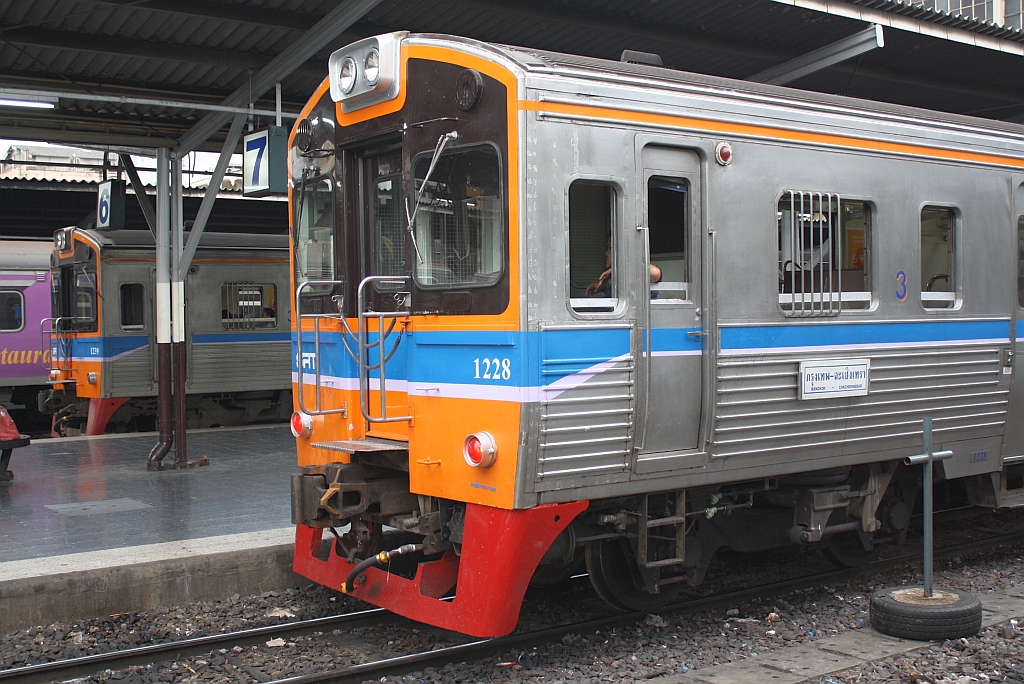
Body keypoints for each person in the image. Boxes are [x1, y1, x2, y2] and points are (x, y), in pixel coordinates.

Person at [585, 241, 662, 297]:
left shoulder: (639, 273)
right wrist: (604, 288)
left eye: (610, 248)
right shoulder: (623, 277)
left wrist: (616, 270)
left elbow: (653, 273)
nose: (606, 253)